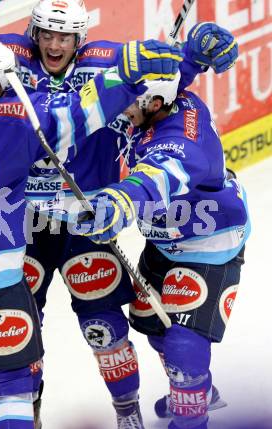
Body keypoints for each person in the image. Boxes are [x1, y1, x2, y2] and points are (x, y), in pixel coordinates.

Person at [0, 1, 238, 428]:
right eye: (47, 35)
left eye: (65, 37)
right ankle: (27, 415)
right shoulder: (7, 59)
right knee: (21, 332)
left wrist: (191, 60)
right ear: (34, 33)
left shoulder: (103, 58)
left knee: (103, 326)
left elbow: (160, 83)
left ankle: (127, 413)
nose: (55, 45)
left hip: (83, 220)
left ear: (80, 39)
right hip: (22, 224)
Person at [77, 70, 250, 429]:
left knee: (183, 346)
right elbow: (167, 71)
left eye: (126, 103)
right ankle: (200, 389)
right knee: (154, 325)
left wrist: (120, 202)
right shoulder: (159, 100)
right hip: (166, 240)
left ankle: (192, 407)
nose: (118, 109)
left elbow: (158, 176)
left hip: (207, 245)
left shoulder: (182, 142)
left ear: (155, 104)